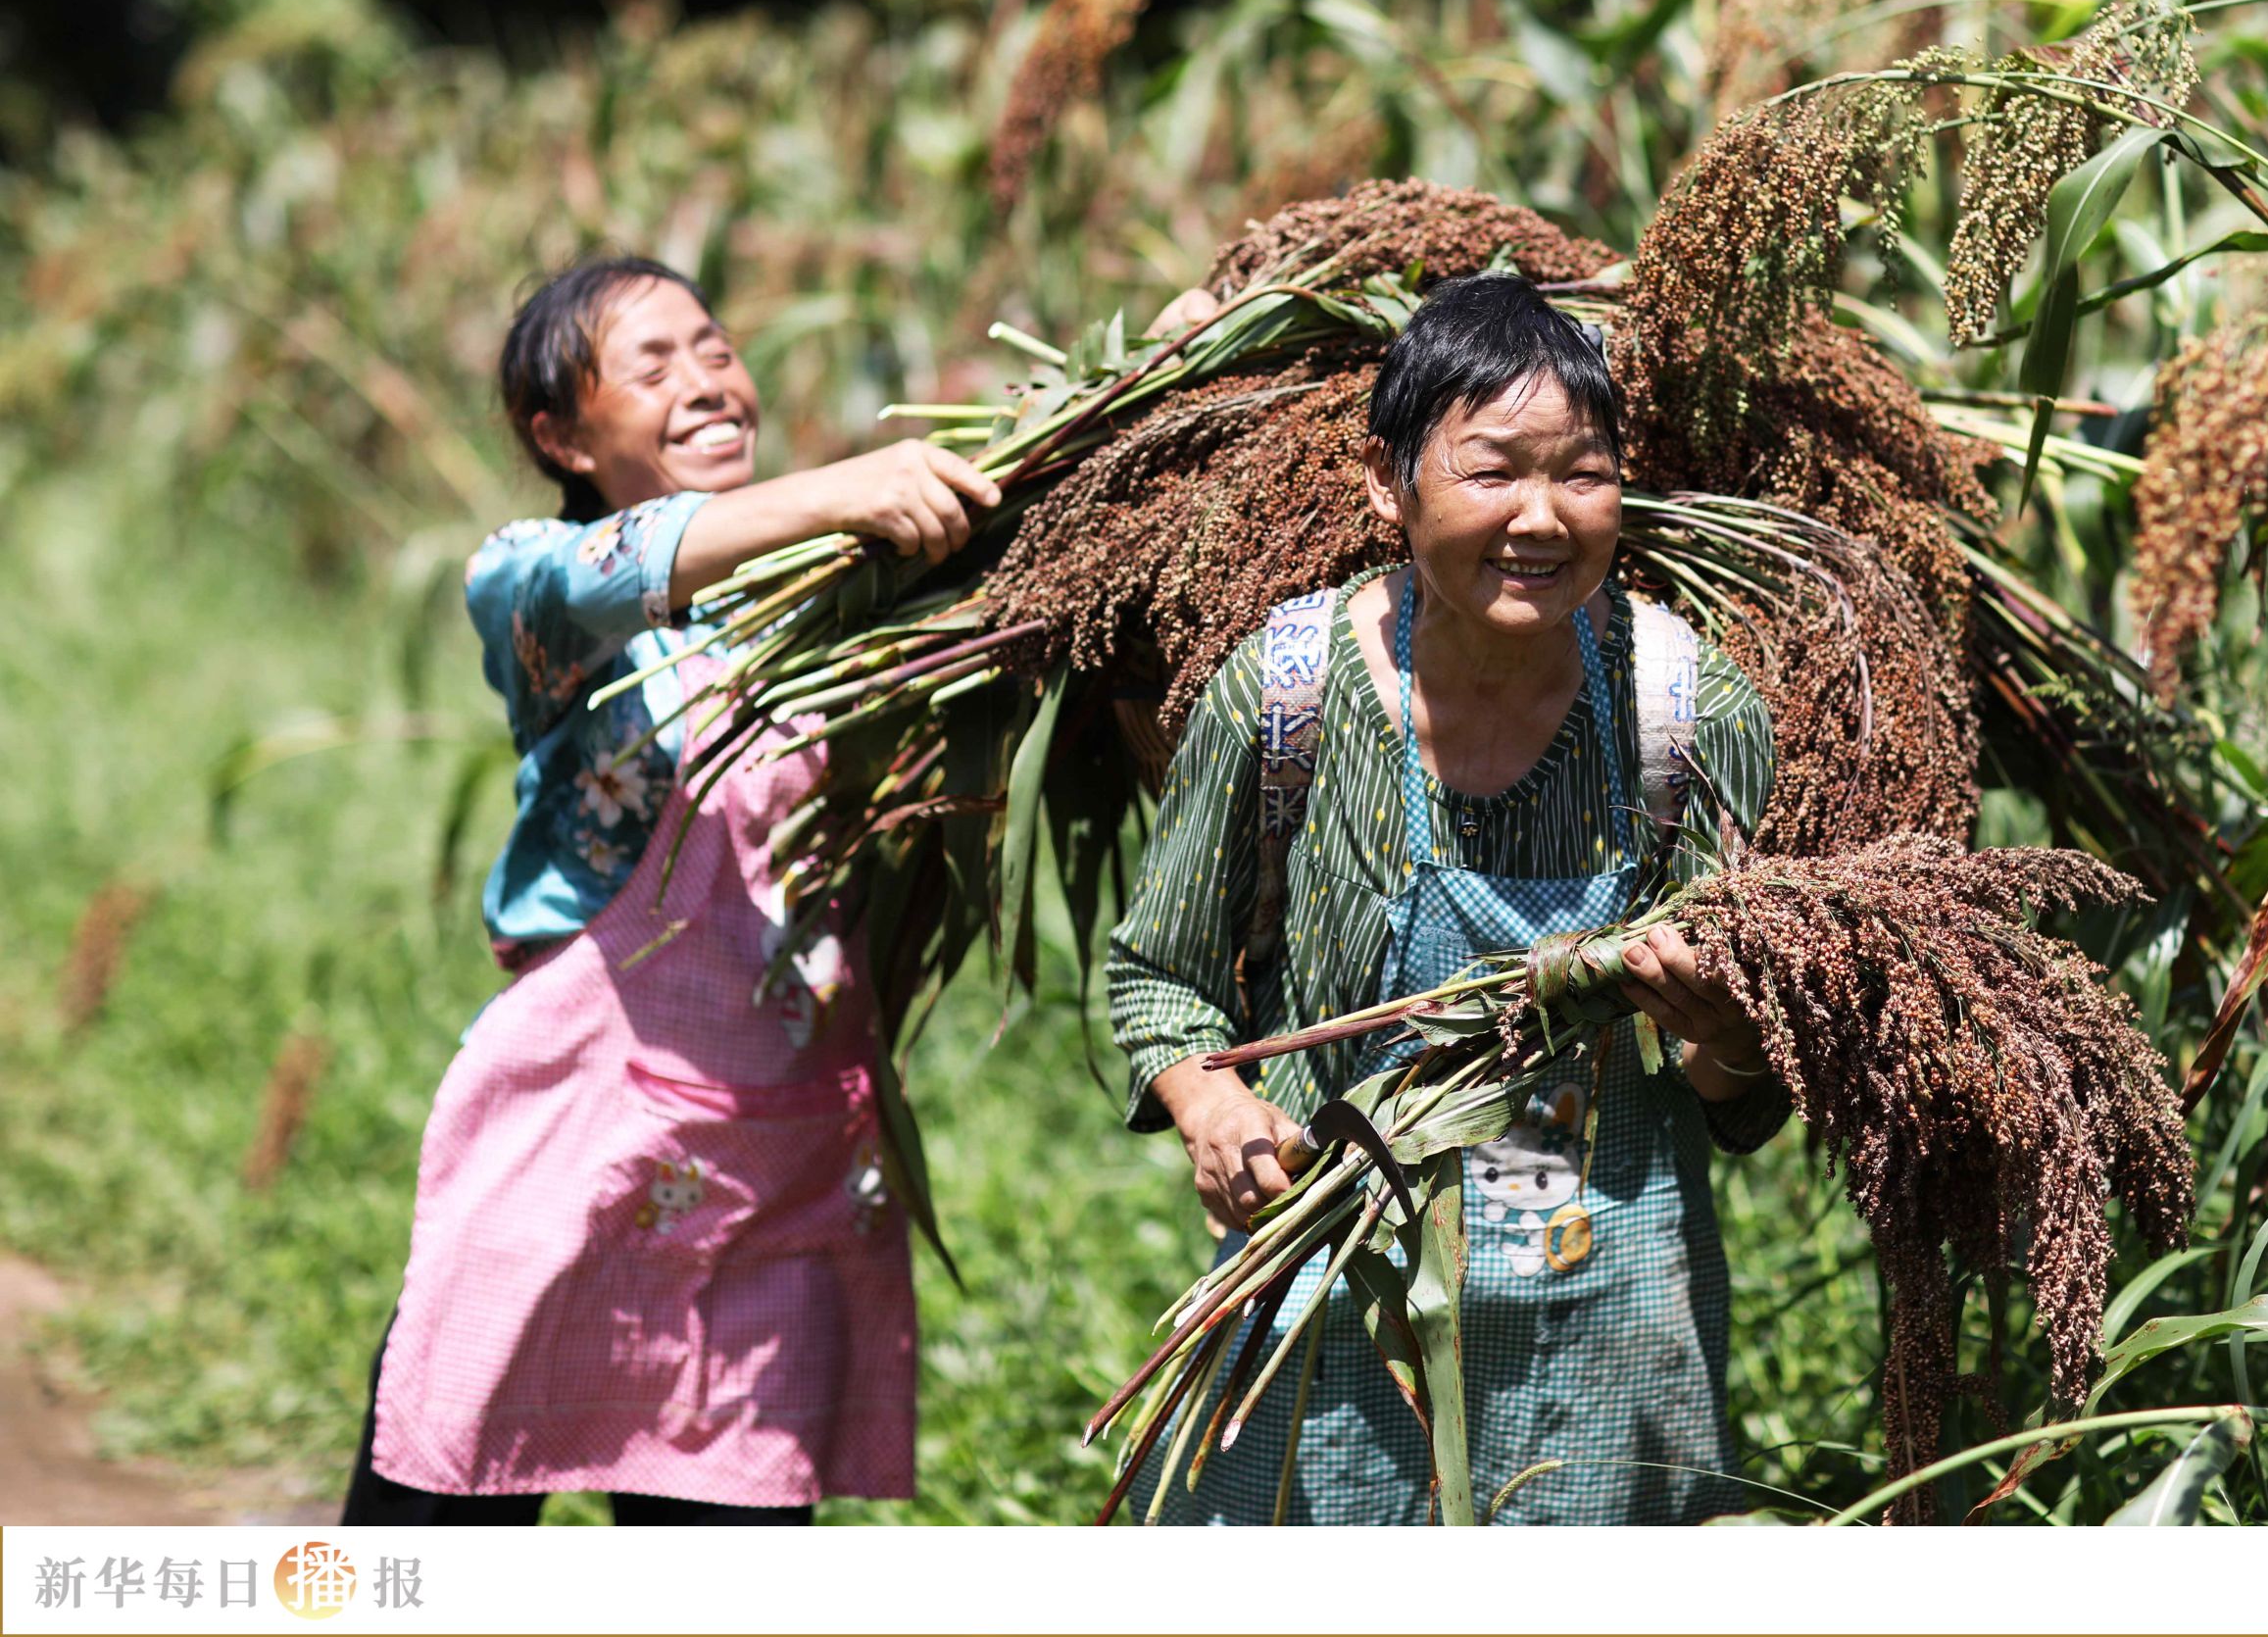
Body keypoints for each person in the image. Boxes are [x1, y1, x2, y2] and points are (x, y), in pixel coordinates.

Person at [1109, 272, 1788, 1524]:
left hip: (1601, 1331)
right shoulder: (1286, 695)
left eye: (1584, 474)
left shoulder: (1689, 714)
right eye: (1492, 471)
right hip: (1330, 1319)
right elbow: (1161, 977)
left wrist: (1733, 1032)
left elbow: (1736, 1084)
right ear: (1388, 481)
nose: (1542, 515)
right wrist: (1211, 1104)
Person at [342, 254, 999, 1524]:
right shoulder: (536, 579)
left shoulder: (838, 602)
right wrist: (843, 489)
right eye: (652, 366)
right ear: (561, 436)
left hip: (768, 1168)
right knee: (434, 1535)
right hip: (575, 1147)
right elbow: (611, 571)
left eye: (716, 350)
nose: (706, 382)